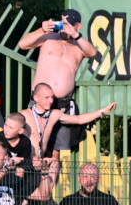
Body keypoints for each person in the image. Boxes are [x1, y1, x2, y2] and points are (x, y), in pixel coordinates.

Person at [17, 9, 98, 156]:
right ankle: (34, 177)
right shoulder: (49, 37)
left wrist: (76, 36)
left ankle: (51, 180)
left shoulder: (79, 46)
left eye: (68, 24)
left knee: (55, 151)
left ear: (78, 25)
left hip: (62, 104)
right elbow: (22, 44)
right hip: (40, 100)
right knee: (33, 141)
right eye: (62, 22)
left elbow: (93, 53)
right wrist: (41, 29)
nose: (64, 27)